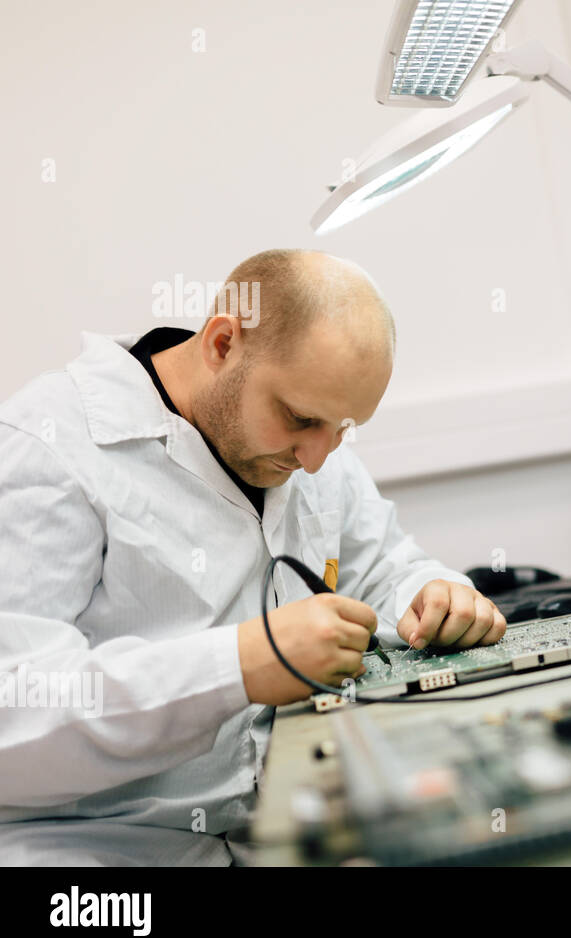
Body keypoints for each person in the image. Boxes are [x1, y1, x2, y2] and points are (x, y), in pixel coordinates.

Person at [0, 249, 505, 865]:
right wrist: (238, 664)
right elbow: (15, 712)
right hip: (100, 857)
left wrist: (436, 593)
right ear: (221, 343)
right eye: (300, 419)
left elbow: (386, 566)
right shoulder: (48, 446)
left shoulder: (310, 445)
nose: (319, 458)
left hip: (282, 832)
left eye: (344, 429)